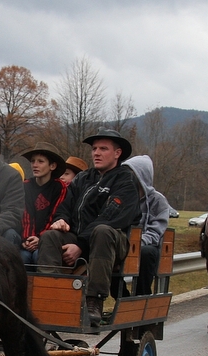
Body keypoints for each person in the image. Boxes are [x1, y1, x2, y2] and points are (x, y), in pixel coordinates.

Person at [38, 129, 141, 326]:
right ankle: (51, 297)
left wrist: (81, 245)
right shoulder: (83, 178)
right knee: (50, 236)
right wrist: (61, 220)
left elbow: (109, 217)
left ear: (117, 153)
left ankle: (94, 300)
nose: (96, 153)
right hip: (78, 237)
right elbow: (65, 207)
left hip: (112, 241)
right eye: (94, 149)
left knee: (102, 231)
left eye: (103, 149)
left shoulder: (125, 180)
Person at [123, 155, 171, 296]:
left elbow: (157, 231)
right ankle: (122, 296)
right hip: (124, 243)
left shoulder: (158, 200)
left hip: (147, 245)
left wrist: (137, 242)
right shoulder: (123, 197)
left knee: (146, 253)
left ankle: (141, 295)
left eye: (132, 174)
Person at [19, 142, 67, 265]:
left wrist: (40, 238)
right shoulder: (26, 186)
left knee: (38, 256)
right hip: (29, 239)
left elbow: (54, 215)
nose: (35, 165)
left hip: (47, 239)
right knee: (22, 258)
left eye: (40, 161)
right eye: (33, 161)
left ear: (52, 166)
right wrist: (28, 238)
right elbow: (26, 215)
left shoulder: (59, 187)